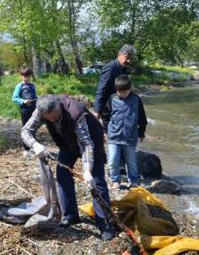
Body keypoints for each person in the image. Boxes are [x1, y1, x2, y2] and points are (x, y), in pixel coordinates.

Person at [21, 94, 115, 241]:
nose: (52, 120)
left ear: (59, 107)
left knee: (97, 182)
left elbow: (87, 144)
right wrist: (35, 145)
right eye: (49, 118)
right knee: (62, 175)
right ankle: (70, 215)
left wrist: (87, 170)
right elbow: (25, 131)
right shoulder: (41, 110)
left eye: (55, 117)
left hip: (91, 141)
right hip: (66, 142)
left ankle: (105, 223)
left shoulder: (76, 113)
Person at [103, 75, 147, 190]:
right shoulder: (112, 99)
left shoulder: (136, 100)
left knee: (131, 161)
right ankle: (115, 181)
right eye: (120, 92)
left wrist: (141, 133)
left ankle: (134, 181)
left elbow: (142, 118)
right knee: (113, 160)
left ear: (130, 88)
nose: (122, 94)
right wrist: (105, 131)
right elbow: (106, 116)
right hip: (114, 135)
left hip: (130, 136)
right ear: (116, 90)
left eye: (125, 92)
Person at [93, 44, 137, 124]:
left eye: (131, 58)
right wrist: (97, 110)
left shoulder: (124, 68)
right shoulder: (110, 68)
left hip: (118, 106)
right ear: (119, 55)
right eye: (127, 57)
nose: (129, 61)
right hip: (108, 108)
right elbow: (101, 89)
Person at [12, 68, 37, 157]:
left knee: (33, 128)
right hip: (25, 110)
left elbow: (35, 96)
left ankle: (33, 148)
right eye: (24, 76)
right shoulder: (20, 86)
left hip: (33, 110)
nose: (26, 78)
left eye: (28, 76)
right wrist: (23, 101)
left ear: (30, 76)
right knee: (26, 129)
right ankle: (26, 149)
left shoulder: (33, 85)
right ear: (21, 76)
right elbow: (14, 98)